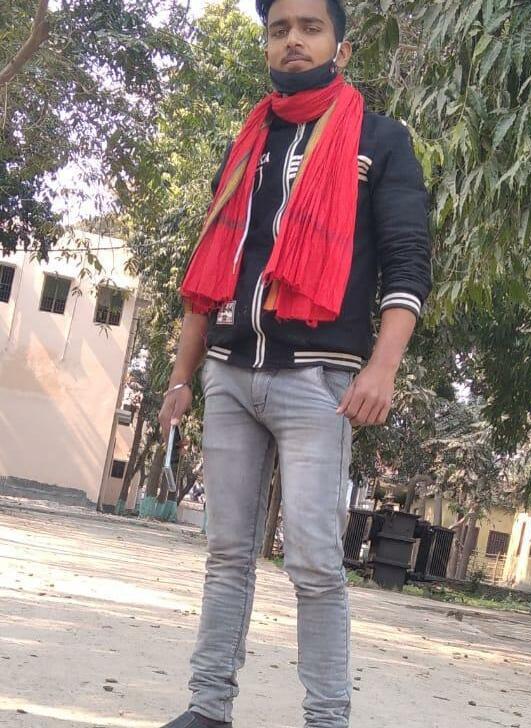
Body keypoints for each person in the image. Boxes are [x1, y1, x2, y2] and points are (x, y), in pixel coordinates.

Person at [158, 1, 431, 726]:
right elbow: (208, 271)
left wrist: (382, 368)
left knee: (313, 561)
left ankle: (326, 718)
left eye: (311, 27)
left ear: (340, 47)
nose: (294, 40)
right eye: (279, 29)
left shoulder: (379, 141)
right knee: (227, 554)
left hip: (319, 381)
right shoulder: (248, 142)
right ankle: (207, 708)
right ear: (267, 46)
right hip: (228, 372)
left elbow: (407, 263)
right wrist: (182, 378)